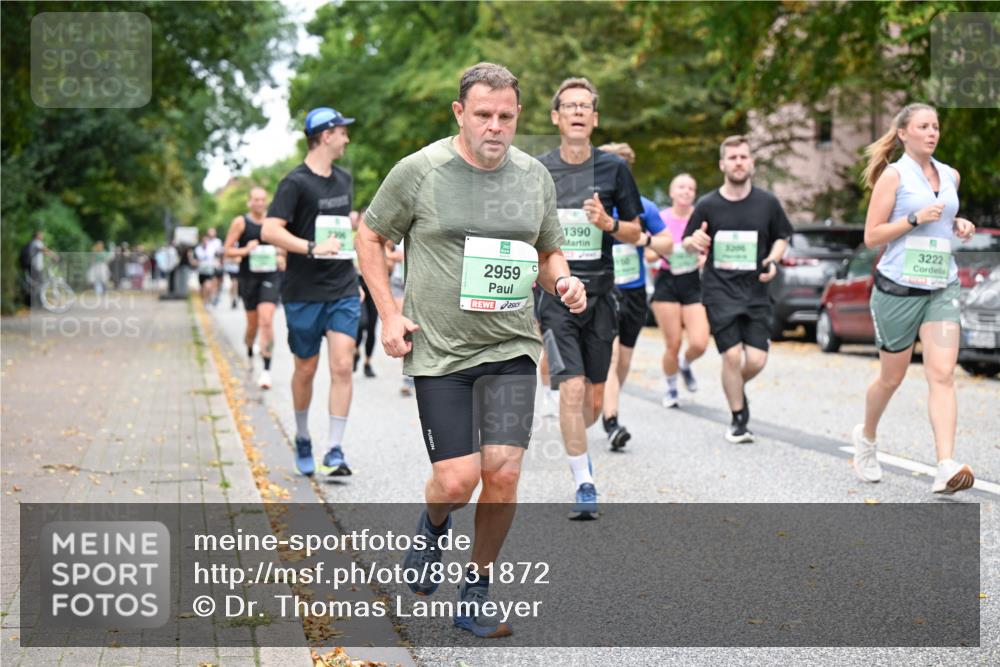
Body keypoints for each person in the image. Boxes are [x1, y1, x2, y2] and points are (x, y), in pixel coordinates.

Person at [357, 62, 585, 638]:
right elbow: (371, 235)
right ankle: (434, 525)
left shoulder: (534, 176)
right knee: (457, 482)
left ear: (518, 116)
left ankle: (476, 591)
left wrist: (562, 280)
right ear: (459, 112)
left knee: (502, 474)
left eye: (506, 116)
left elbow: (548, 251)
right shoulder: (420, 170)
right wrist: (389, 312)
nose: (495, 127)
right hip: (441, 352)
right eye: (483, 114)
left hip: (511, 346)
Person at [854, 102, 976, 494]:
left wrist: (959, 223)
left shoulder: (951, 175)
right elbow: (871, 236)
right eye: (923, 126)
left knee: (942, 374)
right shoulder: (894, 176)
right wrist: (913, 219)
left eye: (935, 126)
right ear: (903, 133)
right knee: (892, 377)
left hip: (941, 286)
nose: (932, 132)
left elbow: (945, 220)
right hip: (898, 289)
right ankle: (866, 437)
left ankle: (945, 465)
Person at [536, 77, 643, 519]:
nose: (578, 111)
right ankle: (584, 481)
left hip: (600, 296)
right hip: (556, 296)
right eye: (570, 105)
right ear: (556, 117)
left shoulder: (614, 169)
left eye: (585, 106)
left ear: (595, 119)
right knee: (572, 388)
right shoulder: (539, 170)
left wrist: (608, 224)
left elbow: (636, 232)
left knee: (594, 402)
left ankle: (577, 440)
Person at [261, 106, 359, 477]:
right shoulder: (294, 183)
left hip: (342, 286)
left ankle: (335, 449)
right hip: (303, 290)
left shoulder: (344, 179)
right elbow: (270, 230)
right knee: (306, 368)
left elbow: (341, 232)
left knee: (342, 365)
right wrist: (312, 247)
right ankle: (303, 437)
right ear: (326, 135)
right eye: (342, 132)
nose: (347, 138)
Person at [682, 135, 792, 444]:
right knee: (731, 356)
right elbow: (687, 243)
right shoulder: (708, 204)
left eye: (743, 157)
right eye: (732, 158)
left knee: (756, 360)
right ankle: (738, 419)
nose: (738, 162)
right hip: (719, 290)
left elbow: (782, 236)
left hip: (756, 291)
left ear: (752, 163)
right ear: (722, 164)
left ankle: (734, 389)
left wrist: (773, 259)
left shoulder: (767, 203)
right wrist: (694, 241)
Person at [596, 142, 673, 450]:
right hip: (603, 290)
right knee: (612, 356)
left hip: (634, 292)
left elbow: (667, 244)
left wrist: (645, 239)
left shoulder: (643, 207)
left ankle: (607, 400)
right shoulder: (595, 205)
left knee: (624, 360)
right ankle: (611, 421)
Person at [652, 173, 709, 408]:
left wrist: (704, 259)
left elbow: (711, 250)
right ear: (672, 192)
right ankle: (671, 387)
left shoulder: (701, 216)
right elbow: (648, 253)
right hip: (667, 281)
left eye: (691, 188)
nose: (686, 191)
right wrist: (670, 251)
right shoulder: (661, 218)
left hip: (692, 281)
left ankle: (685, 364)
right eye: (681, 187)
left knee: (700, 342)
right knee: (673, 343)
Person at [225, 186, 281, 390]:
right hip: (248, 278)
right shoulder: (240, 222)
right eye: (256, 199)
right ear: (249, 202)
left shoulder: (273, 222)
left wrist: (281, 255)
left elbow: (283, 246)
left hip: (270, 276)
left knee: (267, 321)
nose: (259, 203)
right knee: (253, 326)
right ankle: (249, 351)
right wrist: (246, 250)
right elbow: (227, 250)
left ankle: (266, 370)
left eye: (263, 199)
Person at [352, 210, 379, 378]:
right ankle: (355, 350)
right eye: (362, 219)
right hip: (357, 283)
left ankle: (368, 363)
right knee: (361, 323)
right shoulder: (351, 238)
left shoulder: (377, 239)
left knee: (372, 327)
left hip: (373, 285)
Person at [193, 230, 222, 304]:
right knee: (202, 287)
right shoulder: (197, 249)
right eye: (204, 241)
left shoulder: (212, 249)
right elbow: (194, 260)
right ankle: (203, 301)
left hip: (209, 271)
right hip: (201, 271)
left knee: (208, 286)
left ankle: (206, 300)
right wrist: (197, 263)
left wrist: (217, 263)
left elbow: (217, 257)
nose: (205, 242)